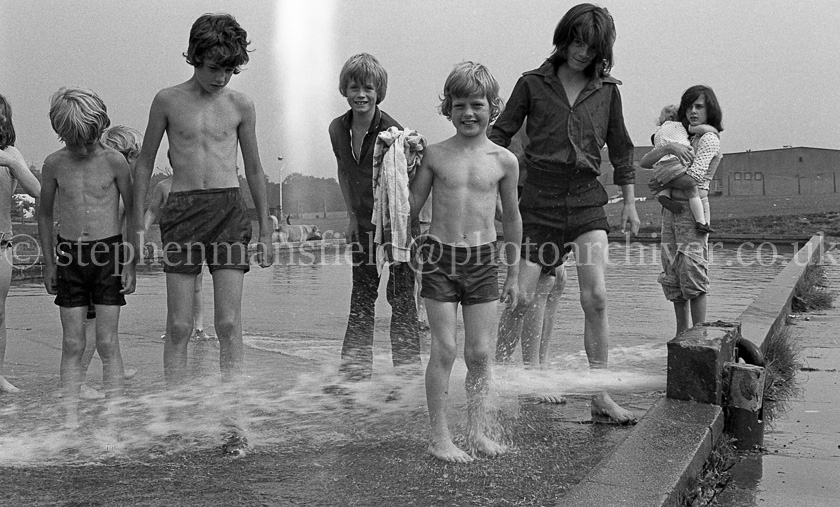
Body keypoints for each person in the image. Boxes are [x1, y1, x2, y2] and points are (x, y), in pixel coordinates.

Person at [489, 3, 639, 424]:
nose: (581, 53)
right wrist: (487, 185)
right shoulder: (532, 84)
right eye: (576, 42)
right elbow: (499, 135)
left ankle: (600, 395)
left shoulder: (607, 91)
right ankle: (496, 384)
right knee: (519, 298)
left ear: (601, 50)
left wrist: (628, 202)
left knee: (596, 297)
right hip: (539, 201)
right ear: (564, 37)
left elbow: (622, 148)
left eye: (591, 47)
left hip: (588, 199)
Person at [132, 13, 274, 456]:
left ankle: (234, 422)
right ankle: (176, 420)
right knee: (177, 325)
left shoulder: (242, 105)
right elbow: (142, 163)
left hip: (229, 210)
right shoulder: (167, 101)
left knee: (228, 323)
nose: (221, 77)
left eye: (229, 69)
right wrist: (138, 225)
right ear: (195, 57)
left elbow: (253, 169)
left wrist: (266, 228)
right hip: (183, 212)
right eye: (214, 67)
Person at [410, 61, 521, 463]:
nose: (468, 113)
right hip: (440, 257)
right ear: (448, 108)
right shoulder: (435, 155)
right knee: (444, 349)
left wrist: (513, 272)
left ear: (494, 107)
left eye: (477, 104)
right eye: (459, 104)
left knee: (479, 352)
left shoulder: (504, 161)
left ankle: (476, 432)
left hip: (483, 260)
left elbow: (511, 218)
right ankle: (439, 436)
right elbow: (411, 206)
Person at [36, 87, 136, 428]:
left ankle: (114, 421)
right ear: (62, 133)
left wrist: (130, 261)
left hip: (107, 254)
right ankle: (70, 422)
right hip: (69, 257)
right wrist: (49, 262)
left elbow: (133, 211)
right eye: (76, 141)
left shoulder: (114, 161)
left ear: (100, 127)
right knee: (73, 343)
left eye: (90, 140)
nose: (84, 148)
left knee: (108, 342)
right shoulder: (54, 164)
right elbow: (45, 214)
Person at [328, 53, 421, 386]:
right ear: (345, 89)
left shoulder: (393, 132)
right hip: (364, 226)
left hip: (397, 228)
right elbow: (342, 168)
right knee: (362, 298)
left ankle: (408, 380)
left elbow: (410, 182)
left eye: (368, 87)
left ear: (379, 90)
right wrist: (352, 215)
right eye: (354, 87)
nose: (361, 94)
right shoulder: (337, 128)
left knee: (401, 300)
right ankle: (354, 375)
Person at [640, 86, 723, 337]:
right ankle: (681, 332)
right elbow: (648, 162)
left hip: (692, 210)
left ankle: (698, 335)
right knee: (672, 268)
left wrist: (660, 182)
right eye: (689, 107)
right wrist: (666, 152)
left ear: (710, 109)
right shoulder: (681, 136)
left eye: (699, 106)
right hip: (672, 211)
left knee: (693, 269)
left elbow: (694, 178)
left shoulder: (708, 139)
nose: (693, 112)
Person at [75, 126, 143, 400]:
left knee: (105, 322)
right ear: (131, 155)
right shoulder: (121, 182)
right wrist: (129, 261)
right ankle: (76, 382)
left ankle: (114, 364)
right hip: (101, 258)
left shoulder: (102, 178)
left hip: (87, 254)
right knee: (93, 323)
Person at [0, 93, 41, 394]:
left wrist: (14, 164)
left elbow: (39, 191)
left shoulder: (10, 154)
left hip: (2, 246)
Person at [144, 174, 209, 342]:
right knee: (174, 287)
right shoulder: (163, 186)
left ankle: (199, 328)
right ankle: (173, 326)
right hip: (173, 241)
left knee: (197, 286)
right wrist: (142, 232)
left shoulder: (197, 182)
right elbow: (152, 210)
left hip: (197, 240)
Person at [648, 104, 718, 233]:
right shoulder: (683, 130)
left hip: (663, 167)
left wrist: (662, 183)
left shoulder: (661, 131)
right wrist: (713, 130)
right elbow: (691, 181)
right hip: (687, 189)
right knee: (692, 190)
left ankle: (664, 195)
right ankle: (701, 222)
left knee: (666, 173)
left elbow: (647, 159)